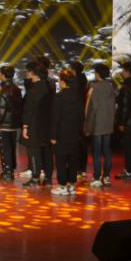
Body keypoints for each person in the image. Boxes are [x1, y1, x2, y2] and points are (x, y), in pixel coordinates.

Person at [50, 68, 84, 196]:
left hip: (61, 133)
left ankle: (63, 186)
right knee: (73, 160)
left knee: (61, 161)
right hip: (75, 132)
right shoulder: (78, 96)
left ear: (63, 82)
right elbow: (81, 116)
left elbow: (55, 118)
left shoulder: (59, 96)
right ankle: (72, 185)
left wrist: (53, 136)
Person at [84, 62, 117, 188]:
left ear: (97, 74)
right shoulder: (111, 87)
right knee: (107, 151)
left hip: (97, 123)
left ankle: (97, 177)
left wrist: (87, 126)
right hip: (108, 123)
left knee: (97, 152)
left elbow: (90, 109)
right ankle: (107, 177)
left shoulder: (94, 88)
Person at [21, 63, 53, 188]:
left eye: (29, 71)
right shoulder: (49, 87)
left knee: (33, 151)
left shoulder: (34, 90)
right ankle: (48, 179)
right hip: (47, 125)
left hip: (34, 125)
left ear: (34, 74)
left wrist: (25, 127)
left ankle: (35, 178)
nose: (27, 73)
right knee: (47, 152)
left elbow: (28, 110)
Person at [0, 64, 23, 181]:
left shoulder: (3, 90)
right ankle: (9, 170)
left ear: (3, 75)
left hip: (5, 123)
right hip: (14, 123)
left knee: (5, 148)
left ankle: (7, 172)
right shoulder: (17, 89)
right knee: (11, 147)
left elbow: (1, 108)